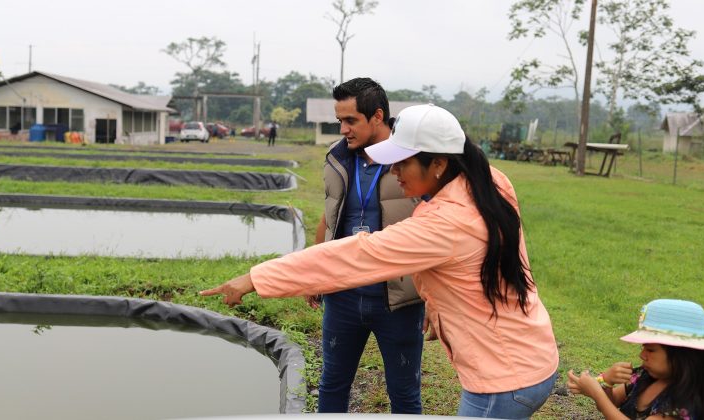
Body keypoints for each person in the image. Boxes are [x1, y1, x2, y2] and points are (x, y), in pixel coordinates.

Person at [202, 104, 560, 418]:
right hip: (531, 354)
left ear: (438, 163)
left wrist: (256, 278)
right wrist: (440, 306)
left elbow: (356, 256)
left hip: (503, 381)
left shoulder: (445, 223)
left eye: (403, 162)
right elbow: (478, 264)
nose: (393, 171)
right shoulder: (488, 182)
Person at [304, 77, 424, 414]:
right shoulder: (337, 157)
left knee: (404, 394)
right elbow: (329, 216)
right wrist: (313, 271)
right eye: (339, 121)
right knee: (331, 384)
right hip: (342, 295)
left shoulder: (413, 159)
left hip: (398, 300)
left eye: (351, 120)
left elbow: (435, 229)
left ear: (378, 116)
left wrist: (438, 296)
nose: (343, 129)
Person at [567, 299, 704, 420]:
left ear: (682, 355)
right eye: (643, 348)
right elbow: (613, 402)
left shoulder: (684, 402)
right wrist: (606, 382)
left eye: (650, 350)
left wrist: (597, 394)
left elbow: (606, 405)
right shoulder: (642, 377)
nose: (642, 355)